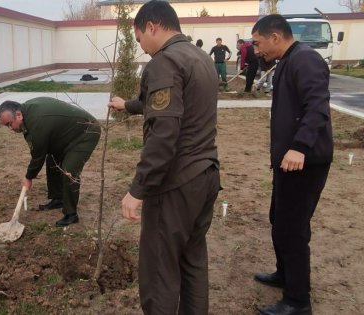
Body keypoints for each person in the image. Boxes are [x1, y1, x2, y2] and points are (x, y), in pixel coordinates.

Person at [107, 1, 220, 313]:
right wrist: (127, 105)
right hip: (206, 175)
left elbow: (164, 133)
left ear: (152, 27)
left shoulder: (164, 62)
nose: (142, 48)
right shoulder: (199, 57)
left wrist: (138, 189)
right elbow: (168, 105)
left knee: (159, 269)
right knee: (193, 258)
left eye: (140, 38)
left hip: (176, 183)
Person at [250, 14, 333, 315]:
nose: (256, 50)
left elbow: (317, 106)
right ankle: (284, 274)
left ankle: (298, 301)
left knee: (293, 230)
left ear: (276, 36)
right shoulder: (286, 60)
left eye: (258, 43)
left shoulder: (306, 60)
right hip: (288, 163)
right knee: (279, 220)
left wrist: (299, 147)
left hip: (305, 162)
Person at [0, 97, 100, 227]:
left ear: (18, 115)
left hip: (87, 132)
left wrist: (29, 177)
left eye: (9, 124)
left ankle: (71, 214)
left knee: (69, 170)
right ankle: (58, 199)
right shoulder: (27, 113)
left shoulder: (36, 122)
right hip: (68, 133)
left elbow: (37, 156)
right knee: (52, 160)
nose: (10, 128)